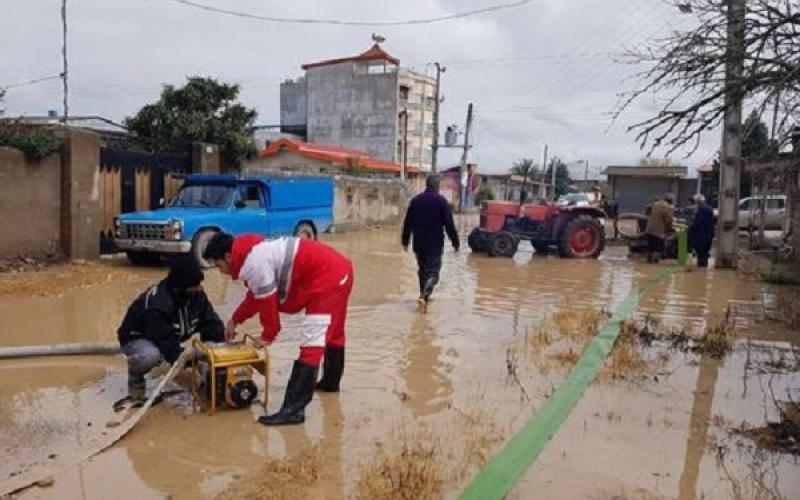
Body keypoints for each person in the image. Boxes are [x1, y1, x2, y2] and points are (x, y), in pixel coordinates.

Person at [203, 232, 354, 426]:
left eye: (219, 265)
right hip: (339, 270)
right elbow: (256, 296)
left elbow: (266, 302)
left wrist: (268, 335)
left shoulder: (253, 264)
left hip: (327, 279)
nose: (221, 271)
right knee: (335, 334)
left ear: (228, 257)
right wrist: (235, 320)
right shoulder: (250, 252)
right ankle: (330, 383)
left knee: (312, 344)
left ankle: (293, 411)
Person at [117, 256, 224, 401]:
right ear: (180, 287)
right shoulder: (158, 305)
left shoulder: (197, 296)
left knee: (214, 348)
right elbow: (166, 343)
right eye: (194, 286)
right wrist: (191, 360)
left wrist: (214, 356)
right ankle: (135, 376)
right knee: (150, 356)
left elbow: (212, 324)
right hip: (138, 337)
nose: (199, 288)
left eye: (199, 284)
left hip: (170, 334)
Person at [401, 174, 460, 310]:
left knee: (423, 271)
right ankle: (425, 294)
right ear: (437, 186)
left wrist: (405, 241)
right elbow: (449, 225)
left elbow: (407, 223)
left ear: (427, 185)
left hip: (419, 244)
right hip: (434, 244)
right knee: (434, 273)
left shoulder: (416, 201)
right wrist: (455, 243)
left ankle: (423, 298)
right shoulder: (441, 202)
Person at [644, 193, 675, 263]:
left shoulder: (655, 204)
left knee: (651, 247)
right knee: (658, 248)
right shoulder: (668, 207)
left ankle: (648, 262)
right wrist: (670, 227)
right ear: (670, 200)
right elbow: (669, 220)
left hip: (649, 229)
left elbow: (647, 212)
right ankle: (655, 264)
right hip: (658, 231)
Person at [689, 193, 715, 267]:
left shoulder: (702, 209)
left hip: (702, 235)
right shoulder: (709, 208)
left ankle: (701, 267)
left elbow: (698, 222)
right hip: (708, 234)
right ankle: (703, 269)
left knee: (701, 252)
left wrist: (691, 227)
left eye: (695, 202)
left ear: (698, 201)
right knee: (705, 252)